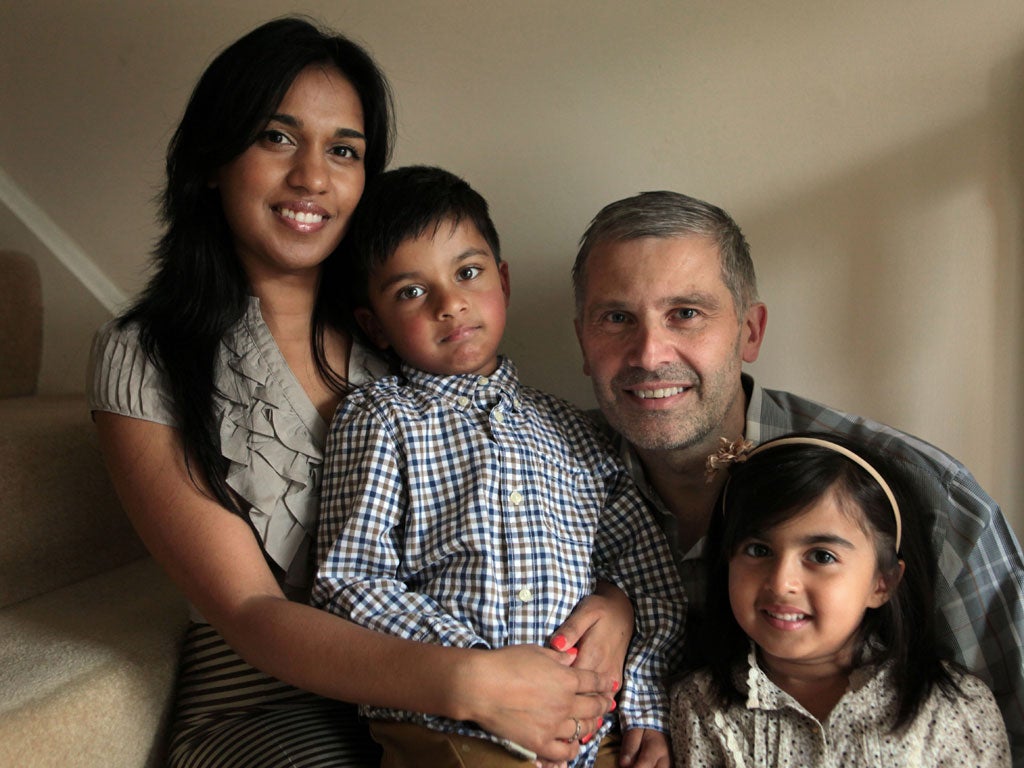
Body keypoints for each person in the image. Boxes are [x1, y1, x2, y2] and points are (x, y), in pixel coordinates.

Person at [87, 17, 624, 768]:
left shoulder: (407, 334)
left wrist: (614, 604)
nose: (313, 177)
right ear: (214, 158)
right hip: (271, 708)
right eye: (277, 138)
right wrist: (467, 682)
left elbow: (528, 517)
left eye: (344, 150)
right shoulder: (144, 357)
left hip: (458, 704)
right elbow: (250, 611)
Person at [570, 190, 1024, 765]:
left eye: (686, 313)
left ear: (750, 332)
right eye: (616, 318)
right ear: (582, 340)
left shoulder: (929, 500)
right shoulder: (526, 476)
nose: (649, 352)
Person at [311, 165, 685, 768]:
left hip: (592, 719)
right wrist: (481, 669)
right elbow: (350, 582)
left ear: (502, 281)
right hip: (453, 721)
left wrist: (641, 703)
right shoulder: (381, 419)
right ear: (373, 325)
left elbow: (647, 578)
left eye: (467, 272)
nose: (449, 303)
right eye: (411, 291)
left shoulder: (577, 432)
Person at [670, 432, 1010, 765]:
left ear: (882, 583)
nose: (781, 582)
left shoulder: (954, 710)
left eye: (821, 557)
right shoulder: (701, 704)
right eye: (759, 550)